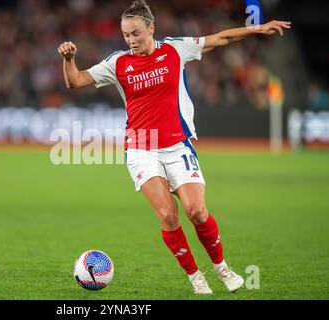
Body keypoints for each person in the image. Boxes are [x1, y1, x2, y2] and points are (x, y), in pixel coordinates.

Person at [58, 0, 291, 294]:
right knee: (168, 216)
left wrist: (257, 28)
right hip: (141, 148)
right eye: (126, 35)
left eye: (136, 34)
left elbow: (221, 38)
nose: (130, 40)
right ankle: (196, 277)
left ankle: (222, 268)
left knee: (197, 212)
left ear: (151, 28)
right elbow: (75, 81)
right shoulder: (117, 63)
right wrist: (69, 59)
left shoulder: (174, 49)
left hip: (177, 145)